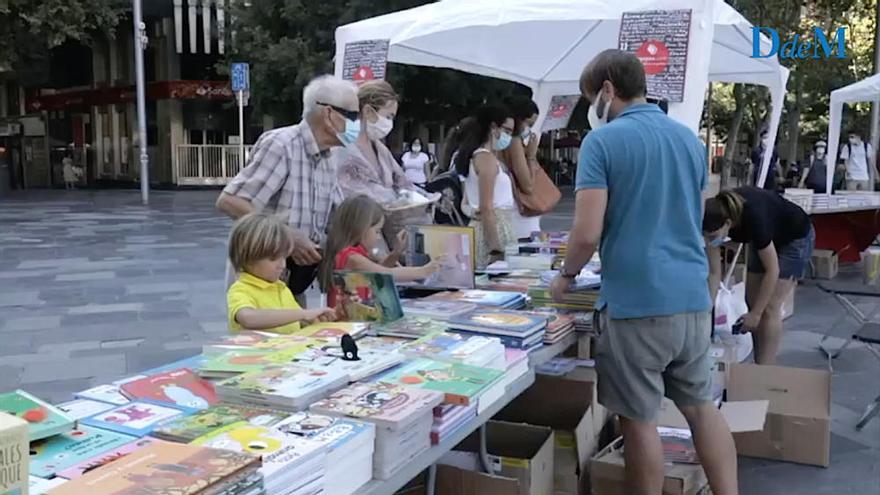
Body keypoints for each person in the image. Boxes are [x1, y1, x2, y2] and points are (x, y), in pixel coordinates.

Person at [549, 49, 738, 495]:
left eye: (590, 97)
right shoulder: (689, 141)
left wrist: (566, 276)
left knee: (638, 422)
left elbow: (586, 233)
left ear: (608, 90)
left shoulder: (602, 142)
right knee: (701, 409)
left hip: (636, 303)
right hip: (690, 297)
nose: (591, 107)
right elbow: (691, 219)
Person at [216, 75, 360, 299]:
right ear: (328, 114)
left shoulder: (329, 157)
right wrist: (287, 236)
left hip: (292, 283)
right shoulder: (282, 145)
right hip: (259, 286)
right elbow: (231, 201)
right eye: (352, 116)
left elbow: (336, 217)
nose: (357, 124)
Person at [703, 187, 814, 365]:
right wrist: (708, 306)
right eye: (706, 237)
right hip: (764, 239)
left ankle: (765, 371)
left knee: (769, 307)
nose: (710, 241)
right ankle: (758, 361)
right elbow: (714, 272)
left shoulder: (754, 217)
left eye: (714, 236)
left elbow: (773, 270)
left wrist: (756, 314)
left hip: (794, 236)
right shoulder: (711, 219)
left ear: (728, 223)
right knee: (752, 300)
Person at [335, 80, 430, 249]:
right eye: (388, 116)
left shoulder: (381, 149)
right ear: (368, 112)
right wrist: (396, 200)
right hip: (355, 241)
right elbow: (355, 198)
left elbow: (402, 182)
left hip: (385, 239)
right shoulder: (342, 149)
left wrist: (422, 196)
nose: (390, 122)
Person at [319, 195, 441, 306]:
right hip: (346, 323)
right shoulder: (351, 258)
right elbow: (384, 274)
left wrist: (395, 253)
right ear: (361, 228)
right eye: (377, 231)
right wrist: (424, 271)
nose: (378, 237)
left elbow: (374, 273)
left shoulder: (352, 254)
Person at [226, 212, 336, 334]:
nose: (282, 265)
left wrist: (320, 318)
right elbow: (248, 318)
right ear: (247, 257)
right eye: (273, 258)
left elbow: (298, 322)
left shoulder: (281, 288)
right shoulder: (241, 290)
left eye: (284, 257)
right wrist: (303, 314)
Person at [444, 106, 518, 268]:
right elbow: (486, 206)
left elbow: (469, 202)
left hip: (488, 226)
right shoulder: (485, 159)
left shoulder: (480, 157)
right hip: (493, 230)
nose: (509, 136)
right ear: (493, 127)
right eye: (507, 130)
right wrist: (495, 249)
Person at [501, 95, 540, 240]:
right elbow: (528, 185)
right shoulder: (514, 142)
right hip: (520, 219)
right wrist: (531, 156)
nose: (528, 129)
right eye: (528, 124)